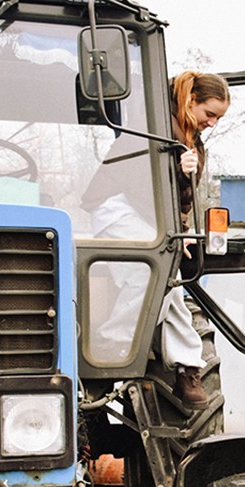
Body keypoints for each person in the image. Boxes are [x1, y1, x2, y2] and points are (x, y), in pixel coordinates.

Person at [82, 71, 229, 409]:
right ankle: (113, 345)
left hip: (149, 217)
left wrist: (181, 230)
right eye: (210, 114)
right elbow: (139, 187)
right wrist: (175, 171)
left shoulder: (191, 139)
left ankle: (186, 368)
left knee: (169, 284)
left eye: (219, 118)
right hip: (117, 208)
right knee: (151, 276)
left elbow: (181, 198)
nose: (213, 123)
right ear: (191, 101)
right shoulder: (149, 126)